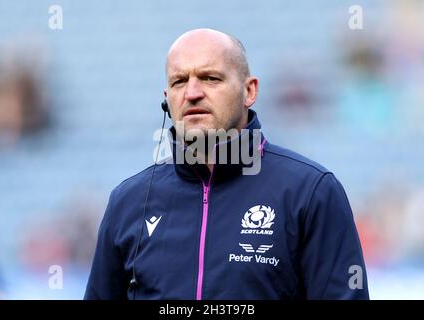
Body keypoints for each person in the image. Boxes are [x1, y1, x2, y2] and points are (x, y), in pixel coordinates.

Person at [84, 28, 369, 300]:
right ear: (166, 100)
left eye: (210, 78)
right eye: (179, 81)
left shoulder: (311, 192)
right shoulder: (127, 201)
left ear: (249, 91)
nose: (192, 93)